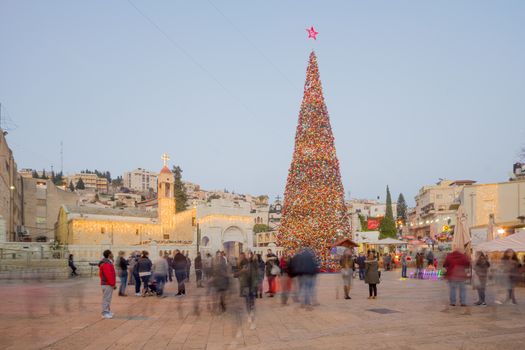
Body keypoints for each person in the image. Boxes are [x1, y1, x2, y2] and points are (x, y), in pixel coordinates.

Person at [239, 250, 259, 330]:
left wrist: (257, 283)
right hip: (246, 285)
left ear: (251, 255)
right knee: (247, 301)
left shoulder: (254, 263)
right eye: (247, 254)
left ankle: (252, 314)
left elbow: (257, 274)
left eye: (249, 254)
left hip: (252, 285)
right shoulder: (243, 263)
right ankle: (249, 315)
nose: (248, 255)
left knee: (252, 302)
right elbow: (240, 273)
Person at [98, 249, 116, 319]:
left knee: (108, 298)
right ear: (109, 254)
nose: (112, 254)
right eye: (111, 253)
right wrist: (112, 284)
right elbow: (109, 275)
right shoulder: (106, 264)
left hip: (106, 283)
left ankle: (107, 311)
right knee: (106, 299)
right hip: (107, 284)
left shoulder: (106, 263)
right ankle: (104, 313)